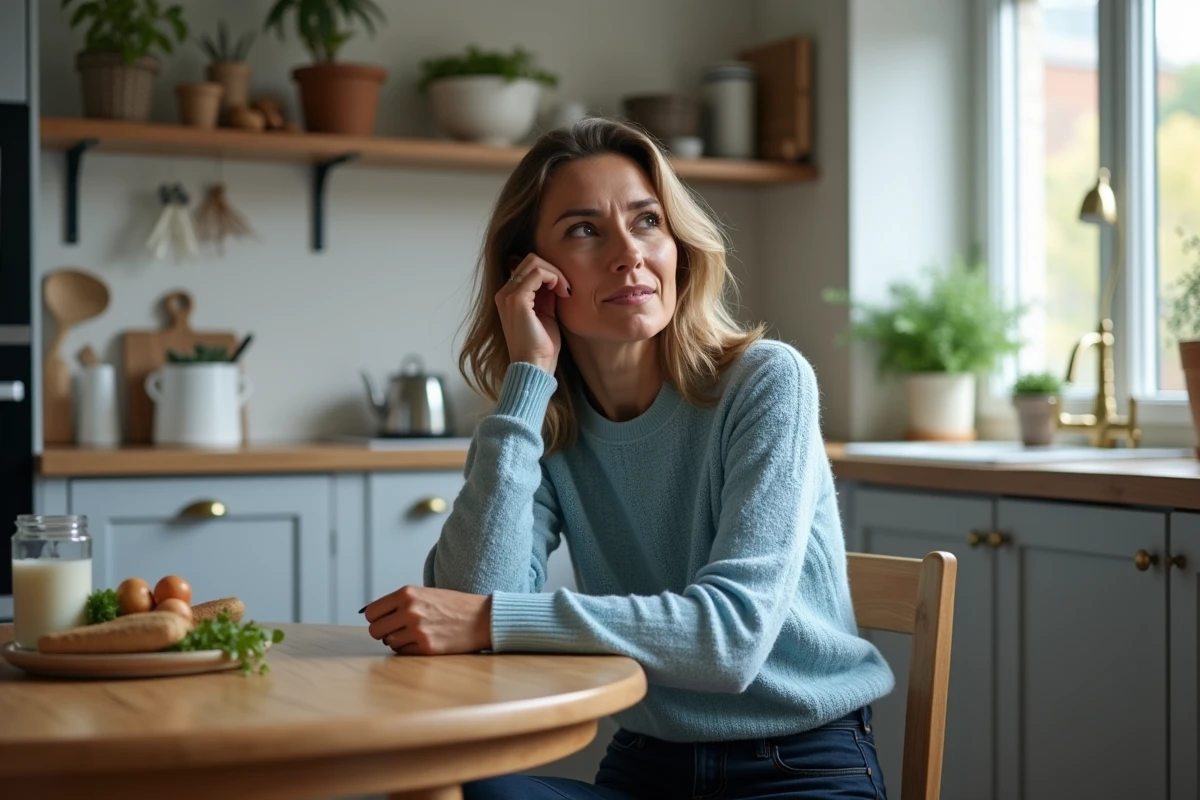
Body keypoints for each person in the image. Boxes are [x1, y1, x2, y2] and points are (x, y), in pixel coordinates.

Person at [361, 117, 894, 800]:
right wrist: (528, 383)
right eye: (585, 230)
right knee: (452, 789)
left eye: (646, 222)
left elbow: (729, 643)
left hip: (798, 765)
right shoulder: (546, 422)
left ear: (677, 245)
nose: (628, 255)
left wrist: (494, 621)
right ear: (532, 272)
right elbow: (465, 598)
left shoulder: (767, 382)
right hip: (650, 765)